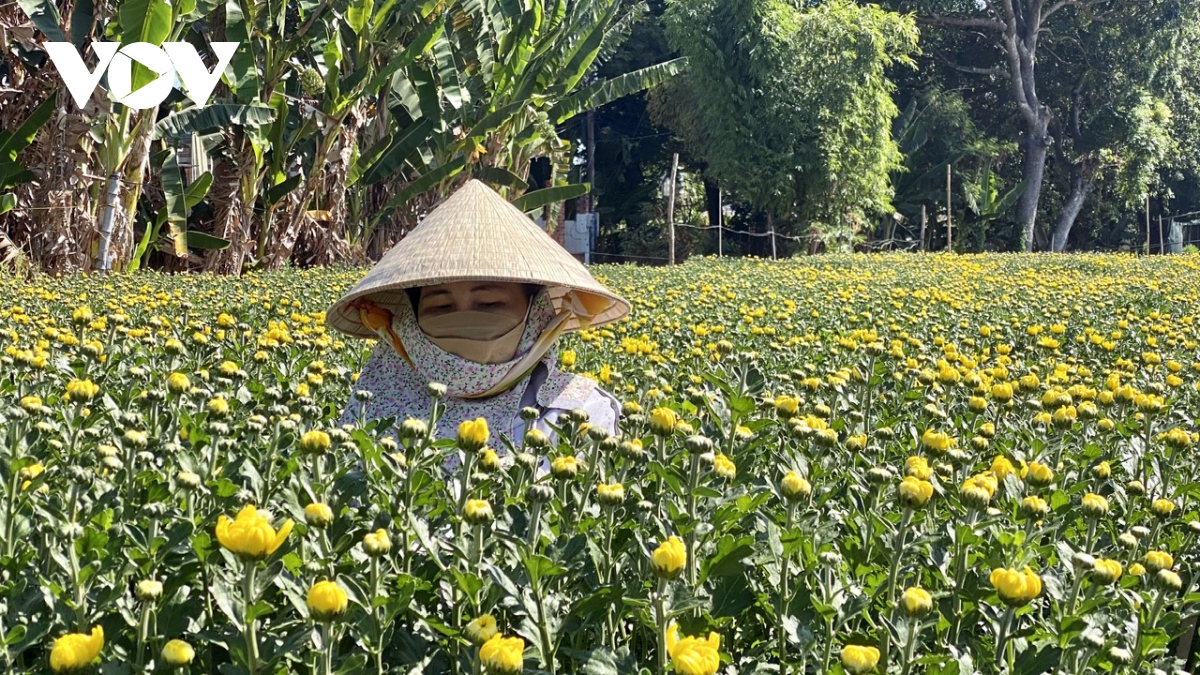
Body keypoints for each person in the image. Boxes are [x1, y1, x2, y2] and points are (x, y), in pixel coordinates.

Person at [325, 179, 631, 468]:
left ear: (537, 312)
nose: (463, 318)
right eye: (441, 306)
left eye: (489, 304)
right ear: (411, 318)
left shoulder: (575, 412)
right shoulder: (379, 398)